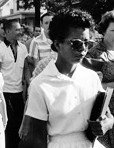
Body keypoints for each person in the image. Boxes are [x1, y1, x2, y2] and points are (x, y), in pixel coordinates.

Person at [19, 8, 114, 148]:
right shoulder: (40, 85)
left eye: (87, 43)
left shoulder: (92, 77)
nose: (83, 49)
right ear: (57, 44)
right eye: (76, 43)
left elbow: (109, 117)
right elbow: (37, 139)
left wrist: (105, 124)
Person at [0, 19, 28, 148]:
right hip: (5, 93)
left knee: (19, 126)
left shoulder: (23, 47)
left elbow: (25, 68)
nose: (20, 32)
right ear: (8, 31)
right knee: (8, 126)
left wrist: (29, 85)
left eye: (20, 29)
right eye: (17, 29)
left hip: (19, 93)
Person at [86, 10, 114, 148]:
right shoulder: (94, 54)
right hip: (105, 112)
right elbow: (88, 87)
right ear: (103, 31)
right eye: (113, 30)